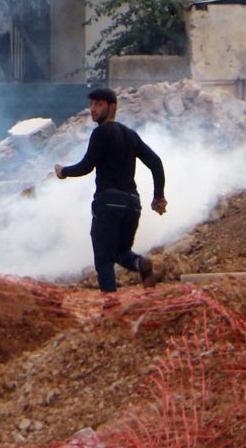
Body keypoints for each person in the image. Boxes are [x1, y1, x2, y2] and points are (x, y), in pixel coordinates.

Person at [55, 87, 166, 305]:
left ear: (112, 107)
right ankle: (140, 264)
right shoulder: (131, 135)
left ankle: (111, 305)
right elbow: (155, 162)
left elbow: (86, 166)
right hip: (133, 205)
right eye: (91, 104)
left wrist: (63, 171)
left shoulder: (101, 133)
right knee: (121, 252)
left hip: (108, 202)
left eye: (98, 104)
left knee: (104, 258)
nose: (93, 109)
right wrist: (158, 196)